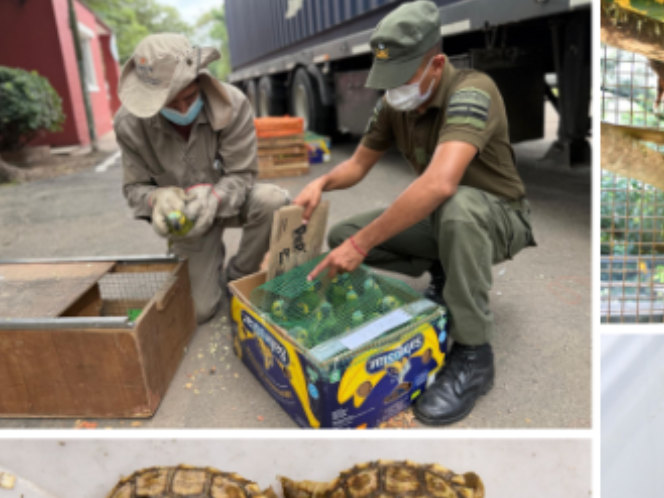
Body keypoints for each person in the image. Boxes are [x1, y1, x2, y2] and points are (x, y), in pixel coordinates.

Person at [296, 1, 536, 426]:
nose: (393, 91)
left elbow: (440, 183)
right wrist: (321, 183)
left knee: (453, 208)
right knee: (342, 235)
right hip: (449, 217)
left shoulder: (472, 91)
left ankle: (474, 355)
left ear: (436, 65)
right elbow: (358, 164)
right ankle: (446, 274)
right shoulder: (396, 104)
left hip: (499, 217)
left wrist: (362, 245)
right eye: (387, 79)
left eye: (402, 77)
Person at [114, 34, 290, 323]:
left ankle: (239, 274)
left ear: (200, 80)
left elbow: (242, 173)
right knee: (200, 311)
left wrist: (215, 197)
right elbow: (134, 188)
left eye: (189, 97)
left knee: (272, 200)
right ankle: (200, 263)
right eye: (171, 103)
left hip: (229, 199)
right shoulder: (129, 124)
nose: (184, 110)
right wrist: (156, 198)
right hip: (187, 220)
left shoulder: (233, 103)